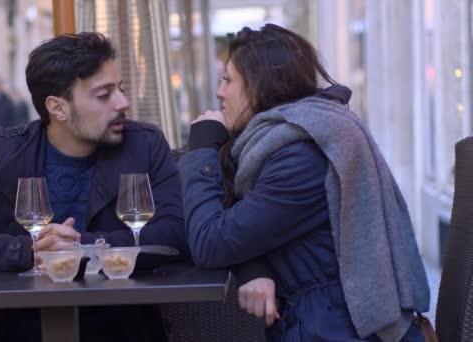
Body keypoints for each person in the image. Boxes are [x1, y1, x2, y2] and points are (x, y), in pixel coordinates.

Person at [0, 32, 189, 341]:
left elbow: (176, 232)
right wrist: (32, 251)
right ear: (58, 108)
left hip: (121, 326)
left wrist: (86, 247)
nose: (123, 102)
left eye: (120, 89)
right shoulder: (1, 153)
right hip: (18, 328)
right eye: (103, 94)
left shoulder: (144, 145)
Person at [179, 23, 430, 341]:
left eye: (228, 80)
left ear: (258, 86)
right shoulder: (281, 142)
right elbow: (244, 226)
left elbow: (210, 242)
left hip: (336, 328)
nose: (219, 92)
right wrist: (254, 266)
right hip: (318, 320)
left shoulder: (302, 155)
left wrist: (201, 149)